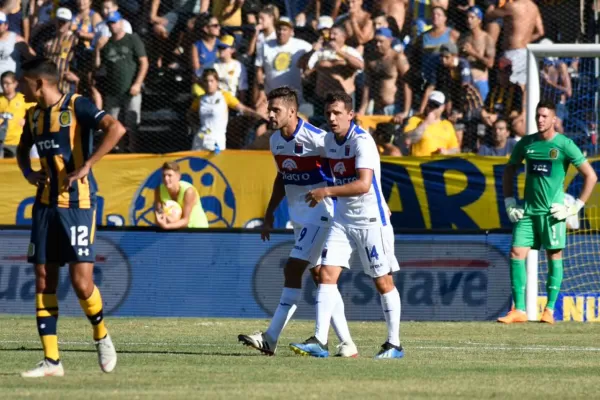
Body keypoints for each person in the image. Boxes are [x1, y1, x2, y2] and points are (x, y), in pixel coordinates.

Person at [16, 57, 126, 377]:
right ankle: (52, 361)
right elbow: (23, 151)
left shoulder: (76, 105)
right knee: (43, 278)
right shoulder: (34, 116)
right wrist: (28, 172)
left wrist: (89, 163)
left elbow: (116, 128)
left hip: (78, 204)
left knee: (81, 282)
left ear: (40, 83)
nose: (21, 88)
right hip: (45, 206)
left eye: (25, 83)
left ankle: (101, 334)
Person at [238, 86, 357, 358]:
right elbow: (283, 177)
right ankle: (348, 344)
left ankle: (270, 337)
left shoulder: (318, 138)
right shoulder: (275, 141)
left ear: (292, 111)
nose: (270, 114)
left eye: (275, 110)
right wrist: (269, 214)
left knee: (292, 269)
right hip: (300, 217)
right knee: (320, 278)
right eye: (269, 109)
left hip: (323, 214)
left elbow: (343, 166)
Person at [289, 92, 403, 359]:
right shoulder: (328, 140)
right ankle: (320, 340)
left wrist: (326, 191)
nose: (331, 118)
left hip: (371, 219)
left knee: (383, 281)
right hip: (342, 219)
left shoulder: (362, 141)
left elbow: (364, 185)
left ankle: (394, 344)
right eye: (328, 113)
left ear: (350, 115)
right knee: (325, 274)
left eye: (337, 113)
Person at [500, 100, 598, 325]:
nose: (541, 120)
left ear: (554, 119)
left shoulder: (564, 144)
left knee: (554, 256)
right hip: (528, 212)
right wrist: (509, 202)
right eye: (538, 116)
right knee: (516, 253)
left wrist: (574, 207)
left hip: (553, 214)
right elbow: (509, 171)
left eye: (545, 116)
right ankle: (519, 310)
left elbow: (590, 176)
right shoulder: (526, 143)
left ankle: (550, 310)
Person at [187, 68, 265, 152]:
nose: (209, 84)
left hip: (216, 140)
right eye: (206, 81)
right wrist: (195, 127)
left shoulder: (225, 96)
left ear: (217, 82)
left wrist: (259, 115)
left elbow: (243, 109)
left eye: (211, 81)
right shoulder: (199, 100)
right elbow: (190, 114)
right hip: (201, 138)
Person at [485, 0, 544, 87]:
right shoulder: (534, 8)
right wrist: (525, 41)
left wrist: (492, 3)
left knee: (504, 84)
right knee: (522, 86)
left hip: (511, 52)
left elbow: (489, 15)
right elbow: (540, 32)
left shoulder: (512, 6)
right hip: (525, 52)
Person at [154, 161, 209, 229]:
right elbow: (159, 214)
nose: (166, 178)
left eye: (169, 175)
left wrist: (167, 226)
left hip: (198, 229)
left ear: (178, 176)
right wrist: (162, 219)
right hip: (174, 229)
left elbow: (185, 220)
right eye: (164, 175)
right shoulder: (159, 190)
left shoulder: (189, 191)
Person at [403, 91, 459, 156]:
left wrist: (446, 152)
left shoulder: (448, 125)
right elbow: (408, 140)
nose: (432, 108)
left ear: (443, 107)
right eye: (431, 104)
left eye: (436, 105)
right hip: (419, 163)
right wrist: (426, 123)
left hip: (439, 164)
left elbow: (456, 150)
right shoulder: (415, 119)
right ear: (427, 105)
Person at [0, 70, 34, 158]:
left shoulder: (23, 99)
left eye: (8, 83)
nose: (4, 86)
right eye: (2, 83)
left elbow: (35, 112)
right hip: (1, 141)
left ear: (15, 84)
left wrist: (27, 121)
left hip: (16, 141)